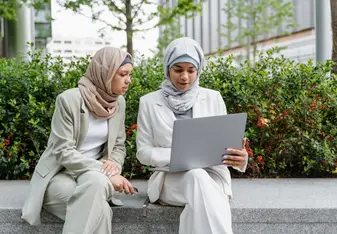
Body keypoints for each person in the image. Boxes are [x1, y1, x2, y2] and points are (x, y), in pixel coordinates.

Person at [136, 37, 248, 234]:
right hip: (170, 180)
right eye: (178, 69)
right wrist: (179, 155)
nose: (185, 77)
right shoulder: (148, 102)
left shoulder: (213, 98)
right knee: (197, 176)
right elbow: (143, 152)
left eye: (191, 70)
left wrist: (240, 158)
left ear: (199, 70)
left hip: (213, 176)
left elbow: (225, 143)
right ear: (167, 68)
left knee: (199, 182)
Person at [22, 47, 136, 234]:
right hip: (60, 175)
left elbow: (118, 145)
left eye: (129, 75)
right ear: (106, 73)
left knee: (96, 185)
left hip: (95, 177)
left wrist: (112, 166)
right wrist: (105, 172)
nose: (128, 80)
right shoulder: (69, 100)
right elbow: (62, 152)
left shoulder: (118, 102)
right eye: (123, 74)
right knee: (101, 209)